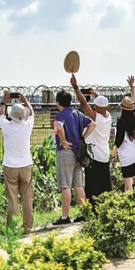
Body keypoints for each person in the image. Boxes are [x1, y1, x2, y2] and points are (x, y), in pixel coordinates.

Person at [53, 89, 96, 225]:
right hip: (79, 153)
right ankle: (83, 213)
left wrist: (63, 140)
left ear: (58, 102)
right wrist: (83, 137)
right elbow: (92, 124)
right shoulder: (78, 114)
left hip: (65, 152)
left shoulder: (60, 115)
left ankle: (65, 216)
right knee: (78, 185)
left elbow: (59, 127)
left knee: (65, 186)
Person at [71, 74, 112, 200]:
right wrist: (95, 95)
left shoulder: (96, 117)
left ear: (96, 106)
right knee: (104, 185)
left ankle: (92, 210)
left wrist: (75, 87)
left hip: (94, 155)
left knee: (92, 185)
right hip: (105, 154)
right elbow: (101, 105)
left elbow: (83, 103)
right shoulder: (108, 116)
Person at [0, 92, 35, 233]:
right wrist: (26, 101)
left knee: (12, 199)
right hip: (26, 165)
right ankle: (27, 227)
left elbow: (1, 113)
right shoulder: (27, 125)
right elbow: (32, 113)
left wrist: (4, 101)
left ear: (11, 114)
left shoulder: (6, 125)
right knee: (27, 197)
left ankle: (12, 227)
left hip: (10, 166)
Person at [112, 76, 135, 192]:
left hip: (125, 156)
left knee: (128, 185)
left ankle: (130, 206)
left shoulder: (122, 122)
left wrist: (112, 156)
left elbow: (118, 142)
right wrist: (132, 88)